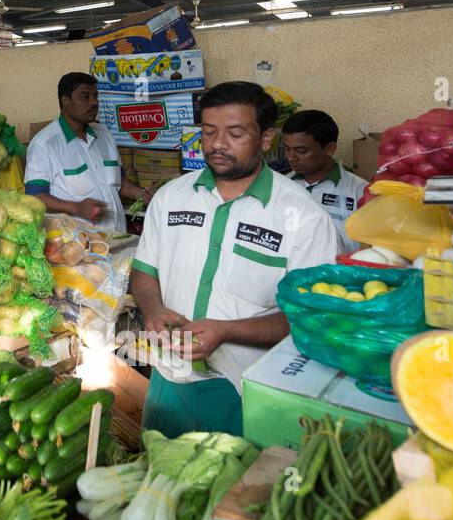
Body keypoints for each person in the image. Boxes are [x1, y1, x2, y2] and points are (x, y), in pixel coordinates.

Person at [129, 81, 339, 437]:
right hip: (169, 377)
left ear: (267, 138)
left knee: (232, 488)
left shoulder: (304, 217)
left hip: (246, 388)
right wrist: (153, 311)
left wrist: (228, 331)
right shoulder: (170, 198)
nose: (217, 144)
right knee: (156, 482)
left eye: (235, 133)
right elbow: (145, 272)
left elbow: (310, 319)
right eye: (209, 132)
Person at [25, 72, 149, 231]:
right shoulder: (44, 145)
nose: (94, 102)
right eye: (85, 97)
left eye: (95, 96)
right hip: (76, 245)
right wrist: (75, 208)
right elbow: (34, 197)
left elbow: (118, 181)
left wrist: (140, 194)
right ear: (65, 100)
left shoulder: (104, 135)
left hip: (117, 236)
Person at [281, 109, 370, 254]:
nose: (291, 157)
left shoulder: (359, 192)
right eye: (286, 149)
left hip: (336, 274)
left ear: (330, 149)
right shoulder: (281, 186)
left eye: (301, 151)